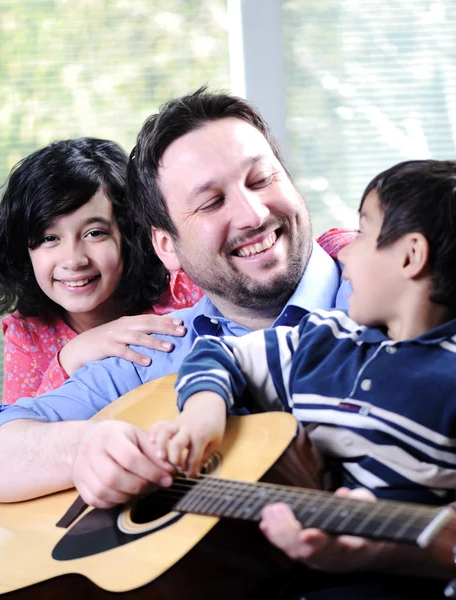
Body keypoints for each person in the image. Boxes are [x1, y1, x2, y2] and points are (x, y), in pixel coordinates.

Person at [0, 89, 404, 598]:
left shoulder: (405, 297)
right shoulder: (155, 349)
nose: (253, 213)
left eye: (262, 179)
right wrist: (82, 448)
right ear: (166, 245)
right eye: (212, 202)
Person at [151, 159, 456, 598]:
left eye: (365, 233)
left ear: (410, 256)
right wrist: (202, 415)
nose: (345, 249)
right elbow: (221, 352)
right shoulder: (326, 343)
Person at [0, 137, 202, 404]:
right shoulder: (29, 332)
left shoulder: (186, 289)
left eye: (95, 233)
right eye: (49, 238)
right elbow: (17, 434)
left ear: (129, 235)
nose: (73, 260)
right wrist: (71, 357)